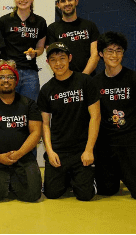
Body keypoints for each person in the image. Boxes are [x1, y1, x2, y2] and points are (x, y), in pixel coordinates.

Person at [93, 31, 136, 200]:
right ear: (101, 54)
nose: (114, 55)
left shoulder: (135, 79)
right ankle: (120, 173)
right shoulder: (95, 82)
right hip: (106, 145)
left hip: (130, 143)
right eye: (110, 50)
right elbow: (93, 116)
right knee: (106, 190)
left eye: (119, 50)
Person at [37, 41, 100, 201]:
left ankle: (81, 177)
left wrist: (89, 150)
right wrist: (50, 152)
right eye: (53, 60)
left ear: (70, 58)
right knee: (52, 194)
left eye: (62, 58)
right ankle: (68, 177)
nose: (58, 63)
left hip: (81, 149)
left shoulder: (85, 82)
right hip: (59, 150)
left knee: (85, 195)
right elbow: (44, 124)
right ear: (47, 62)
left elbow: (95, 116)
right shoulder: (46, 90)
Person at [0, 61, 42, 202]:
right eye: (1, 77)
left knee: (33, 195)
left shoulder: (29, 104)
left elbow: (36, 133)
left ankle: (12, 181)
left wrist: (19, 154)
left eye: (10, 77)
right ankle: (6, 180)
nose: (6, 80)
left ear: (16, 80)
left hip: (23, 157)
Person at [0, 0, 47, 100]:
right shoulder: (4, 21)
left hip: (30, 73)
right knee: (6, 109)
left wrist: (34, 53)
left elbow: (40, 48)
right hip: (7, 72)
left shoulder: (40, 22)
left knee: (30, 109)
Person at [48, 0, 100, 74]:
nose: (67, 3)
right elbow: (53, 59)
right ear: (58, 5)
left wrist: (83, 78)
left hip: (88, 79)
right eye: (63, 1)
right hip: (64, 81)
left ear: (76, 1)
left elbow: (95, 55)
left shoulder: (90, 26)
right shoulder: (52, 29)